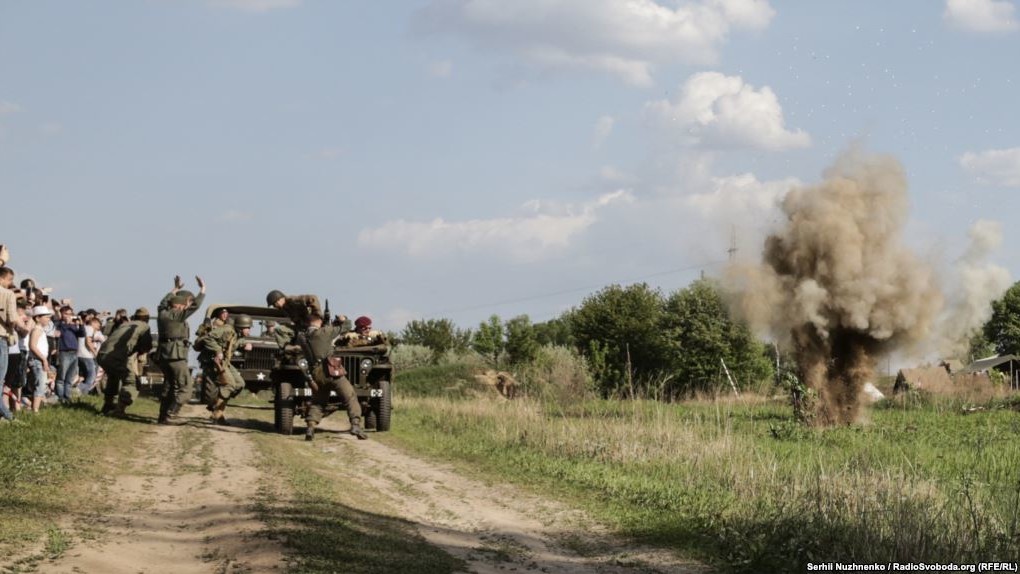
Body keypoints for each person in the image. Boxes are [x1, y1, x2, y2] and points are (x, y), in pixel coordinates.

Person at [303, 312, 367, 441]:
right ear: (318, 321)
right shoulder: (324, 332)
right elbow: (347, 326)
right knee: (350, 396)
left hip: (316, 374)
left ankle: (310, 427)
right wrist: (343, 319)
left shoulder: (302, 337)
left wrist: (332, 324)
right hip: (331, 371)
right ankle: (355, 425)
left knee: (318, 402)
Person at [156, 275, 205, 423]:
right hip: (176, 356)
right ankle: (171, 414)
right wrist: (202, 289)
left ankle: (163, 416)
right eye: (184, 305)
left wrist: (175, 289)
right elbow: (195, 306)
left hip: (163, 355)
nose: (185, 308)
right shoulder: (177, 315)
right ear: (179, 305)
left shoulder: (162, 313)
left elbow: (162, 303)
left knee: (170, 386)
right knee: (186, 388)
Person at [195, 314, 252, 424]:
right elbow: (208, 338)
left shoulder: (237, 335)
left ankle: (214, 405)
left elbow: (234, 343)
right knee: (229, 385)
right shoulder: (227, 330)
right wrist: (218, 350)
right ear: (241, 326)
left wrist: (245, 344)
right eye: (247, 328)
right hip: (212, 361)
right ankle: (217, 414)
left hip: (224, 362)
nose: (249, 330)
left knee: (240, 384)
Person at [97, 308, 154, 416]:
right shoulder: (144, 326)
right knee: (132, 382)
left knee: (113, 378)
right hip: (115, 357)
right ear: (146, 318)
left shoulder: (125, 324)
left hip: (101, 354)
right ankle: (119, 409)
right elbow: (147, 346)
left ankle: (108, 406)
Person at [53, 305, 85, 404]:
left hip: (74, 353)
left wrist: (81, 324)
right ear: (62, 314)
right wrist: (67, 323)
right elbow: (61, 331)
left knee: (69, 377)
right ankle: (60, 397)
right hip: (64, 352)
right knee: (61, 377)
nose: (68, 316)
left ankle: (67, 397)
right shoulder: (59, 324)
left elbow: (82, 334)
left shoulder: (73, 326)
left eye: (70, 314)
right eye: (66, 314)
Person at [26, 306, 53, 413]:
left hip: (39, 360)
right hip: (37, 360)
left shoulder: (40, 330)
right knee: (40, 385)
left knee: (39, 384)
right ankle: (35, 409)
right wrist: (44, 360)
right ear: (37, 318)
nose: (48, 319)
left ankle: (34, 406)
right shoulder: (36, 330)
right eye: (46, 317)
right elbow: (32, 346)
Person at [0, 266, 18, 420]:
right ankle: (6, 414)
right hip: (2, 335)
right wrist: (13, 326)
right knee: (0, 378)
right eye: (9, 279)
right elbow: (11, 318)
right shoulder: (8, 294)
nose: (10, 283)